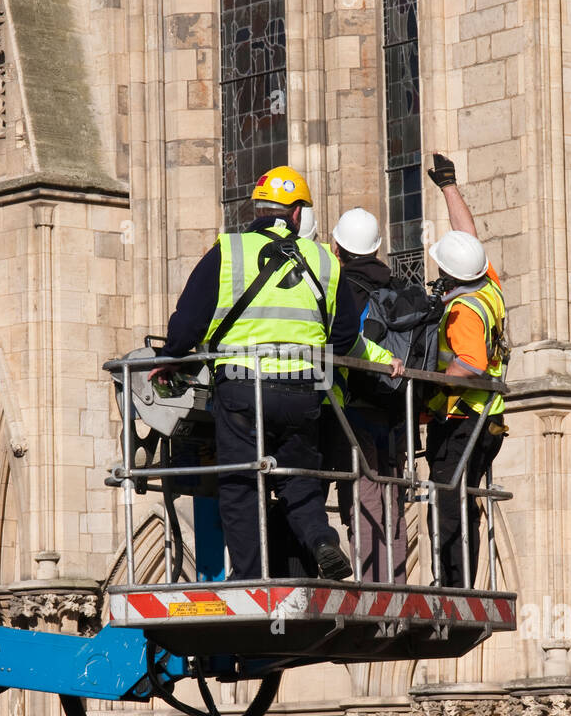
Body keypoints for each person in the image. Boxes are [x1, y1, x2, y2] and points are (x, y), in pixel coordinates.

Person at [154, 166, 402, 581]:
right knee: (298, 479)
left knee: (240, 483)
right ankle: (322, 541)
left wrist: (169, 356)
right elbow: (343, 338)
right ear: (297, 214)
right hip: (304, 392)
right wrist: (372, 358)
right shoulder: (323, 260)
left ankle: (250, 575)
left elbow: (187, 323)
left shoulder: (228, 251)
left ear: (258, 209)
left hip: (241, 390)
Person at [423, 153, 509, 588]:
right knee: (460, 498)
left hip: (463, 421)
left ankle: (452, 584)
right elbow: (467, 236)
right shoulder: (486, 285)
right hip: (487, 420)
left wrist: (430, 387)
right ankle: (455, 580)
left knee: (448, 500)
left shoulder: (462, 311)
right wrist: (448, 186)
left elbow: (472, 364)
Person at [320, 207, 408, 584]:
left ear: (337, 247)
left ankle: (373, 585)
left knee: (364, 496)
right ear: (376, 249)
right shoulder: (397, 286)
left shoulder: (340, 290)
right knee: (393, 501)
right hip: (394, 410)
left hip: (351, 409)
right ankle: (396, 583)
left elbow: (340, 344)